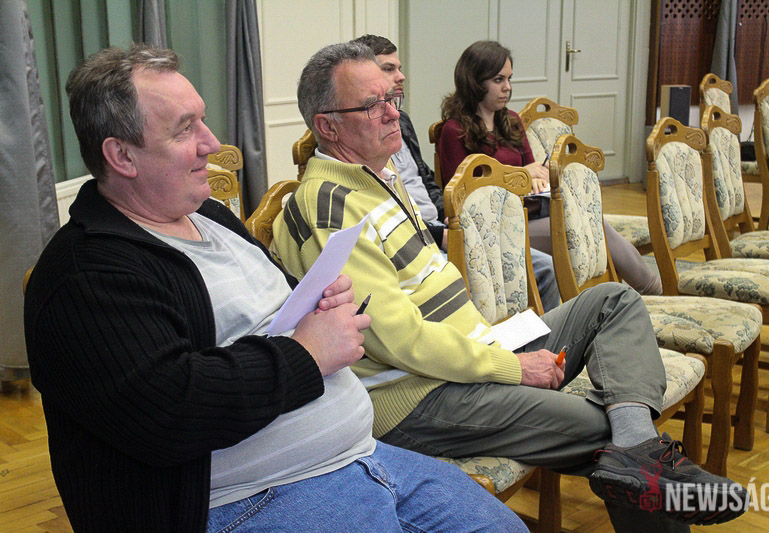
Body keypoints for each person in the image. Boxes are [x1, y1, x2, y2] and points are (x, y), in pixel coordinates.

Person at [23, 44, 529, 533]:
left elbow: (277, 311)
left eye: (203, 120)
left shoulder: (209, 216)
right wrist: (306, 353)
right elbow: (169, 409)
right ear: (122, 155)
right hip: (248, 499)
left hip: (361, 457)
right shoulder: (86, 273)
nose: (211, 143)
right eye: (185, 129)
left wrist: (320, 305)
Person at [272, 40, 748, 531]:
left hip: (468, 358)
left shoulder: (379, 177)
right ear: (328, 126)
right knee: (609, 431)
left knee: (613, 301)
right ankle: (637, 454)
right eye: (373, 105)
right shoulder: (330, 206)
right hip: (417, 396)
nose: (393, 113)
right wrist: (512, 367)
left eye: (392, 99)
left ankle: (637, 450)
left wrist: (496, 352)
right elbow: (400, 340)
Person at [353, 34, 560, 312]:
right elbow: (384, 209)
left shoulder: (403, 121)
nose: (401, 76)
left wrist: (450, 218)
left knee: (546, 265)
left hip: (449, 223)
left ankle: (540, 335)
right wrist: (444, 230)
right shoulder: (360, 137)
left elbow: (427, 181)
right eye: (389, 69)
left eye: (399, 68)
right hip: (422, 236)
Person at [438, 40, 663, 297]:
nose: (507, 87)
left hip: (533, 211)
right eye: (498, 80)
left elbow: (535, 170)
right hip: (496, 227)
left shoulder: (511, 120)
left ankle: (639, 293)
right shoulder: (454, 130)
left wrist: (535, 177)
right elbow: (461, 196)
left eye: (509, 79)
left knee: (590, 222)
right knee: (586, 227)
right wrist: (522, 176)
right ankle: (650, 292)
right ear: (475, 81)